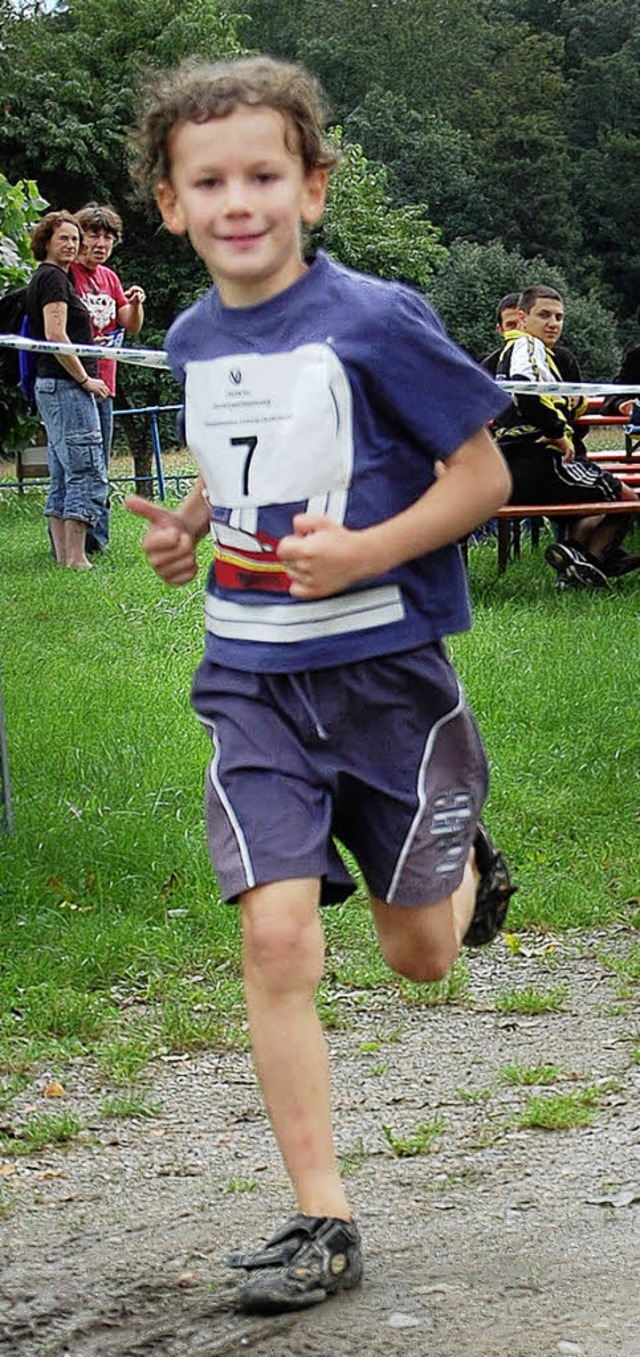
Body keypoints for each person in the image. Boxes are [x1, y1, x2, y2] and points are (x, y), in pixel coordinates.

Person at [126, 55, 516, 1316]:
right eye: (209, 181)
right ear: (171, 203)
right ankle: (320, 1216)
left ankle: (462, 868)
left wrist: (365, 551)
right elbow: (242, 458)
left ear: (312, 187)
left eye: (264, 175)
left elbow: (483, 479)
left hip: (389, 680)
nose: (239, 200)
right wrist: (189, 524)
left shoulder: (376, 319)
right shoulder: (189, 335)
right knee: (276, 932)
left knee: (420, 959)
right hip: (250, 680)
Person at [494, 284, 640, 585]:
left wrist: (574, 406)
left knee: (600, 502)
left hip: (514, 462)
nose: (553, 324)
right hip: (536, 459)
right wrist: (557, 432)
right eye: (544, 315)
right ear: (523, 318)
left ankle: (582, 560)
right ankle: (586, 561)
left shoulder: (531, 353)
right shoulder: (527, 346)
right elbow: (526, 392)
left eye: (559, 317)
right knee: (628, 500)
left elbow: (541, 398)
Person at [25, 210, 109, 569]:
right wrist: (84, 379)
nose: (72, 245)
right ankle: (77, 559)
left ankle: (64, 558)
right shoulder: (55, 280)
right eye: (64, 238)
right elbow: (56, 335)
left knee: (61, 472)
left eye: (75, 239)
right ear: (46, 241)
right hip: (65, 387)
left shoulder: (46, 278)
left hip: (51, 387)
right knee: (86, 469)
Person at [70, 203, 146, 552]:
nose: (100, 243)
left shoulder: (110, 278)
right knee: (80, 462)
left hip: (107, 380)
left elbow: (128, 323)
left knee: (100, 460)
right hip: (74, 379)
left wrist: (136, 302)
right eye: (93, 234)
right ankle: (76, 540)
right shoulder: (66, 274)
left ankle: (98, 540)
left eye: (108, 237)